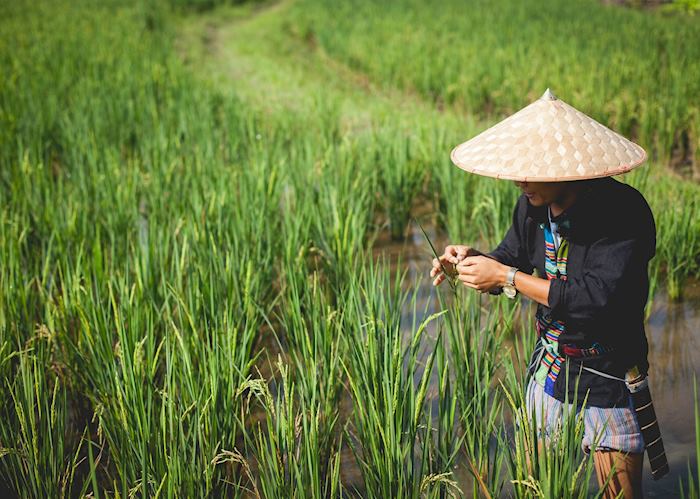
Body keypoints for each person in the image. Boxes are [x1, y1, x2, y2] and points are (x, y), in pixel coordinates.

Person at [430, 89, 659, 498]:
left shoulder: (623, 212)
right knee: (537, 489)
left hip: (608, 374)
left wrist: (506, 277)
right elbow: (510, 256)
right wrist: (471, 260)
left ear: (563, 169)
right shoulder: (531, 206)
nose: (521, 180)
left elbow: (595, 299)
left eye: (531, 170)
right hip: (550, 370)